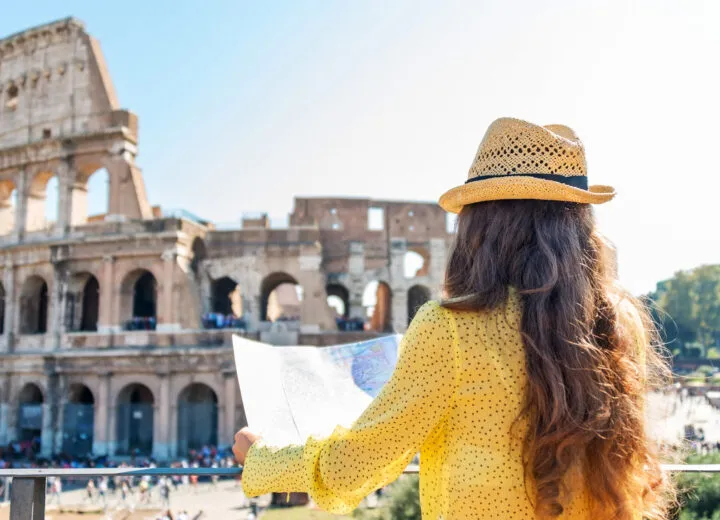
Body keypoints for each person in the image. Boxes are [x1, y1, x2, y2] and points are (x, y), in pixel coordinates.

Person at [232, 118, 673, 519]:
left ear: (481, 227)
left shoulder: (450, 329)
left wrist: (265, 459)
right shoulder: (616, 322)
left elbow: (362, 460)